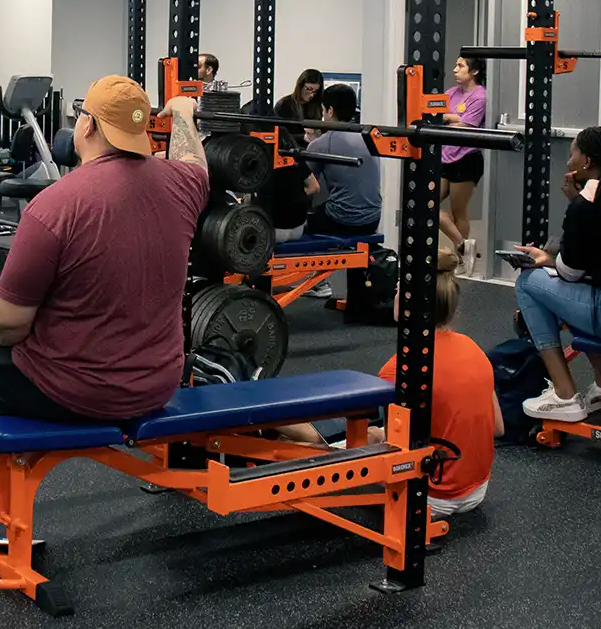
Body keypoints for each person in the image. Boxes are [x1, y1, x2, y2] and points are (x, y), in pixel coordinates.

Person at [0, 75, 209, 528]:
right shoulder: (185, 186)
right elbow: (194, 159)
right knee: (46, 367)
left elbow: (5, 327)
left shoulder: (55, 204)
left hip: (80, 388)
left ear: (86, 126)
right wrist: (184, 111)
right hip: (159, 380)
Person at [277, 249, 503, 517]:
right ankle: (283, 438)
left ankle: (276, 445)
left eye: (397, 289)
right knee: (369, 434)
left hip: (429, 497)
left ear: (408, 302)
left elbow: (396, 452)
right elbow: (498, 428)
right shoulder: (474, 348)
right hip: (477, 490)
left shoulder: (401, 366)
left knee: (351, 443)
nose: (393, 295)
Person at [514, 127, 601, 422]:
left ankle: (565, 395)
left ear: (586, 162)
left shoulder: (585, 205)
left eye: (572, 153)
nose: (568, 162)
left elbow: (570, 272)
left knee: (528, 282)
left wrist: (546, 260)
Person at [306, 84, 381, 237]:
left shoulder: (322, 143)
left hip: (341, 221)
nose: (323, 114)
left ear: (330, 111)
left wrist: (313, 145)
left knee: (299, 220)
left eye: (323, 110)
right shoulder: (369, 139)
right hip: (373, 220)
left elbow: (304, 183)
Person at [440, 56, 487, 274]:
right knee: (426, 204)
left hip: (467, 158)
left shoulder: (480, 96)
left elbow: (467, 125)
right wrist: (454, 117)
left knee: (458, 212)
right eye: (456, 64)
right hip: (444, 156)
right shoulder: (450, 93)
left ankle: (460, 261)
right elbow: (436, 116)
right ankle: (463, 246)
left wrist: (450, 118)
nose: (455, 69)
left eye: (460, 66)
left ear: (474, 71)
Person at [255, 126, 319, 243]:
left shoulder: (260, 161)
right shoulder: (295, 157)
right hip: (298, 229)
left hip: (273, 231)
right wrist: (294, 196)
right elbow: (314, 187)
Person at [275, 69, 324, 148]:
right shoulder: (284, 104)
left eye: (315, 91)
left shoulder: (316, 105)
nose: (312, 95)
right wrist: (303, 137)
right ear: (300, 86)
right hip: (289, 153)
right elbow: (277, 136)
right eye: (308, 89)